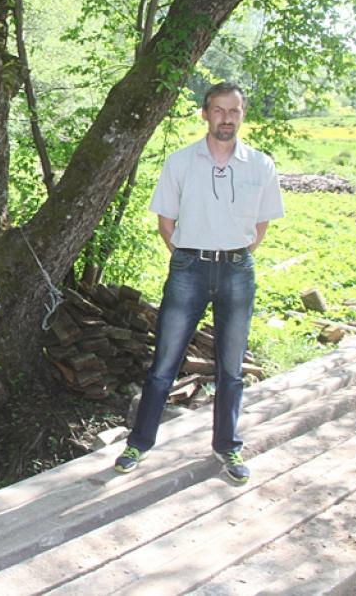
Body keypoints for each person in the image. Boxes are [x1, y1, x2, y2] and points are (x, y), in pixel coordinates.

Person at [114, 82, 284, 484]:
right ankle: (138, 443)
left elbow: (261, 225)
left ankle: (228, 446)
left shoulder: (260, 165)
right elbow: (165, 222)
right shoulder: (181, 162)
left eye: (234, 111)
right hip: (188, 269)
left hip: (237, 272)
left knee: (231, 367)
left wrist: (232, 254)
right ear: (205, 113)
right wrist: (190, 258)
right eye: (219, 110)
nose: (226, 118)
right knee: (164, 364)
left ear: (242, 115)